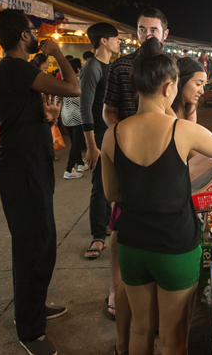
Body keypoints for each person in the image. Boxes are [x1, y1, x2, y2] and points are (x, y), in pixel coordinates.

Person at [100, 36, 212, 355]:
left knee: (141, 328)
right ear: (168, 87)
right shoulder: (182, 130)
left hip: (132, 245)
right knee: (173, 338)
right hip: (175, 246)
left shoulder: (112, 134)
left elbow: (112, 193)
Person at [0, 8, 81, 355]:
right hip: (22, 168)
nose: (35, 35)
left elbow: (30, 105)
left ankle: (33, 306)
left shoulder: (17, 70)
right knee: (33, 246)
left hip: (33, 163)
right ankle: (30, 331)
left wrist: (47, 118)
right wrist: (58, 51)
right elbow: (73, 87)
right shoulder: (14, 68)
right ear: (20, 36)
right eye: (30, 30)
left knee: (41, 242)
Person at [102, 8, 169, 353]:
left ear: (165, 33)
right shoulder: (121, 65)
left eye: (153, 29)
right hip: (127, 156)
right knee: (120, 223)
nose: (148, 35)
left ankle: (149, 303)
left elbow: (175, 112)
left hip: (162, 156)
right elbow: (108, 109)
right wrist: (118, 139)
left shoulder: (168, 65)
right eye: (142, 29)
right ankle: (119, 288)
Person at [81, 23, 120, 260]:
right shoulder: (91, 67)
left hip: (111, 134)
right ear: (104, 41)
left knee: (110, 184)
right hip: (97, 134)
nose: (119, 42)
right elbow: (84, 107)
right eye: (115, 39)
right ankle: (97, 236)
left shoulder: (110, 66)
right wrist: (91, 145)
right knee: (99, 185)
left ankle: (107, 224)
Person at [60, 58, 87, 179]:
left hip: (65, 115)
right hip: (77, 116)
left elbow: (57, 98)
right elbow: (79, 99)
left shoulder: (63, 81)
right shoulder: (78, 81)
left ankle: (80, 164)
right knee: (77, 144)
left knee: (74, 142)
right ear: (77, 69)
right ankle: (69, 169)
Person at [172, 57, 207, 122]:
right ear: (180, 81)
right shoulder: (168, 113)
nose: (202, 91)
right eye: (198, 84)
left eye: (203, 86)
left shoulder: (187, 107)